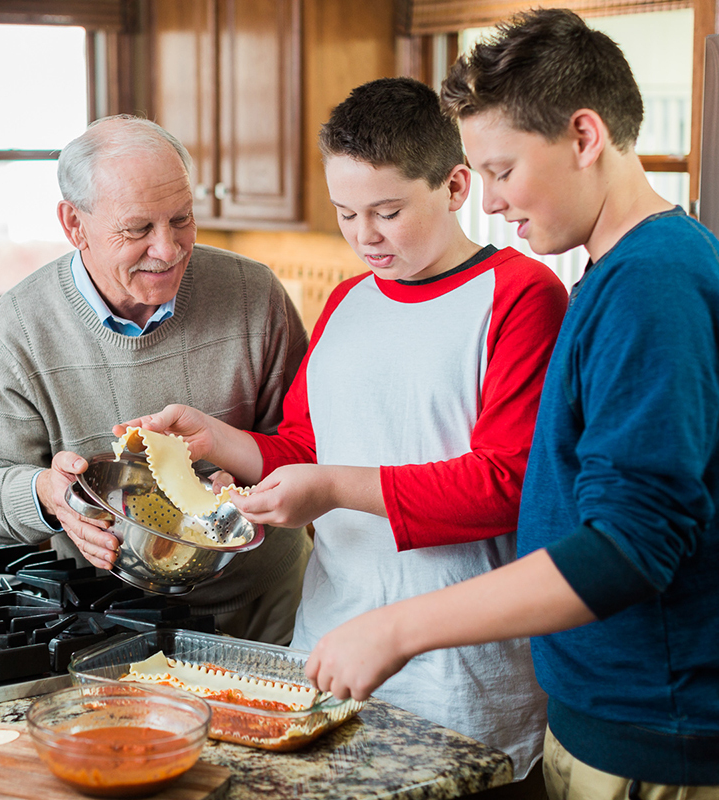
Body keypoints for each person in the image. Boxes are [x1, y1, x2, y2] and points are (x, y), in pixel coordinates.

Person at [303, 9, 719, 796]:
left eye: (500, 170)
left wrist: (399, 628)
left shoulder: (653, 286)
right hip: (633, 720)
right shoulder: (625, 270)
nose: (490, 202)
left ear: (584, 136)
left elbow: (627, 547)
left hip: (668, 740)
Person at [112, 78, 568, 780]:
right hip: (324, 656)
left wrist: (329, 489)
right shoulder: (349, 299)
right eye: (346, 212)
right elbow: (305, 446)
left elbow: (506, 485)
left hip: (462, 680)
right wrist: (216, 439)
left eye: (387, 211)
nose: (364, 236)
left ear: (454, 187)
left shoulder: (521, 296)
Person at [0, 115, 312, 645]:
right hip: (110, 622)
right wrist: (49, 495)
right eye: (138, 229)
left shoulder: (254, 294)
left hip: (270, 605)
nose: (167, 249)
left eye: (181, 220)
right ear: (74, 224)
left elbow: (309, 444)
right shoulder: (19, 328)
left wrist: (245, 481)